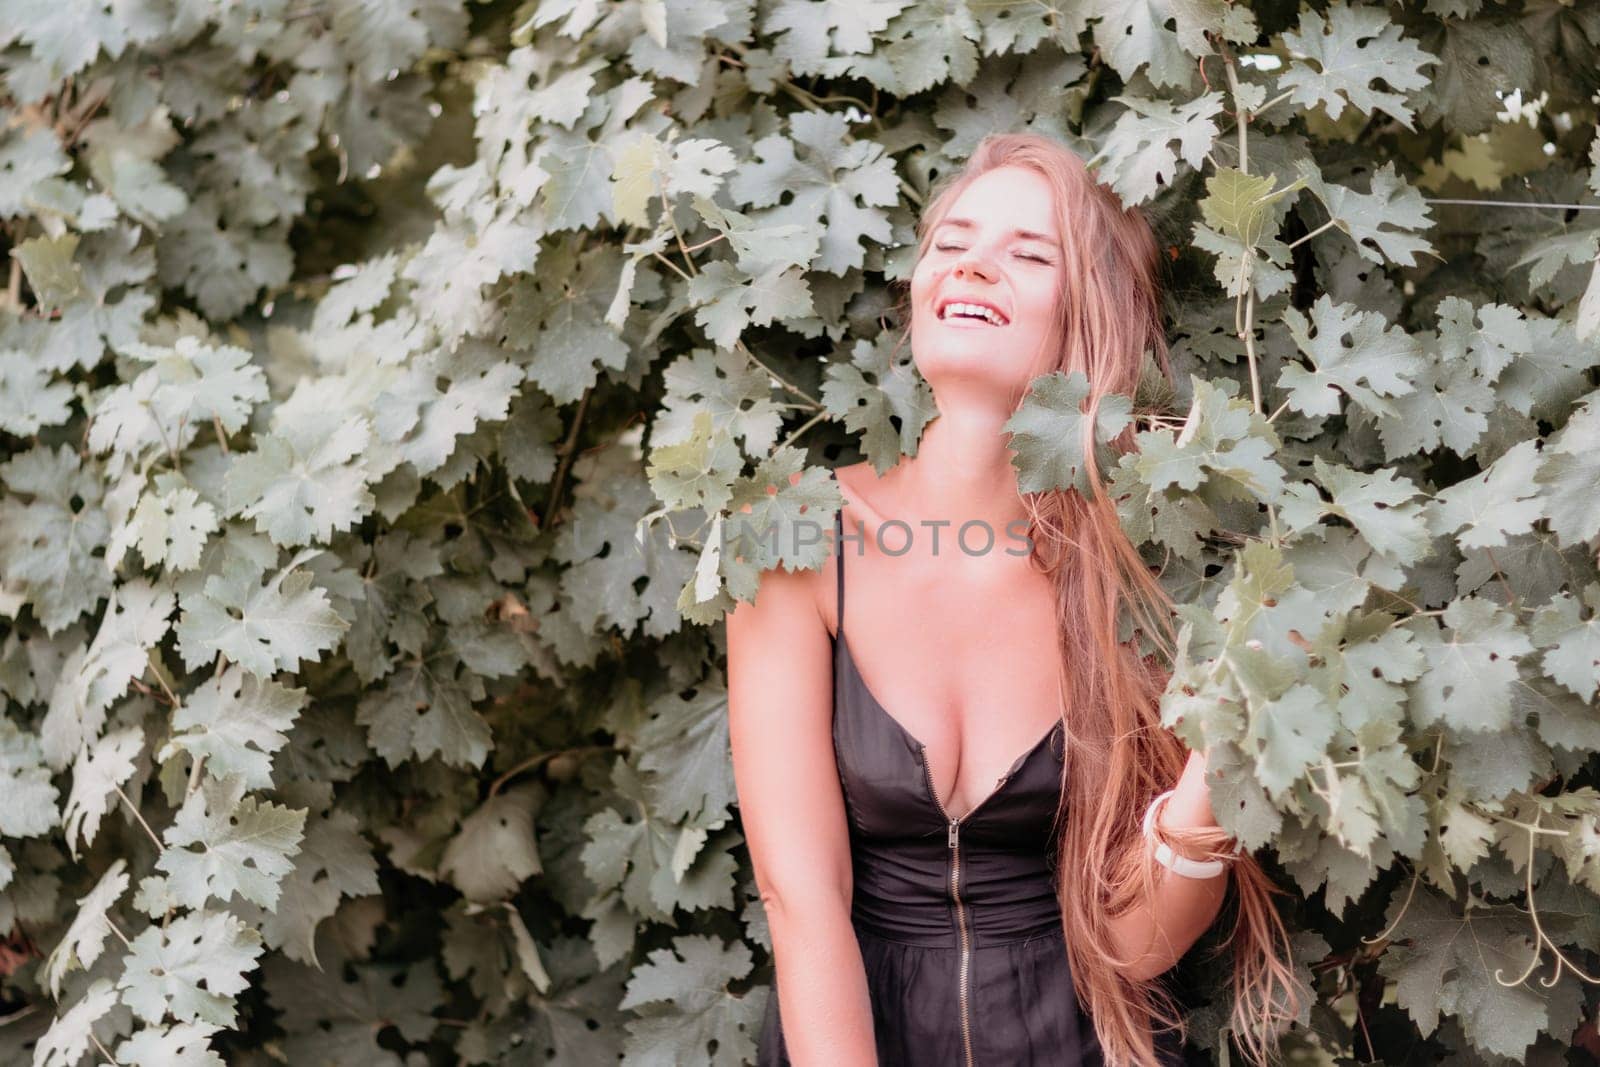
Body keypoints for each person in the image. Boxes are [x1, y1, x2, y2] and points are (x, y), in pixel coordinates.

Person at [724, 133, 1302, 1067]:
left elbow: (1135, 946)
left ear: (1091, 319)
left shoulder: (1145, 569)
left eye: (1029, 255)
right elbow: (801, 896)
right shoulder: (793, 530)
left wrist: (1209, 785)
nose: (972, 265)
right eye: (951, 241)